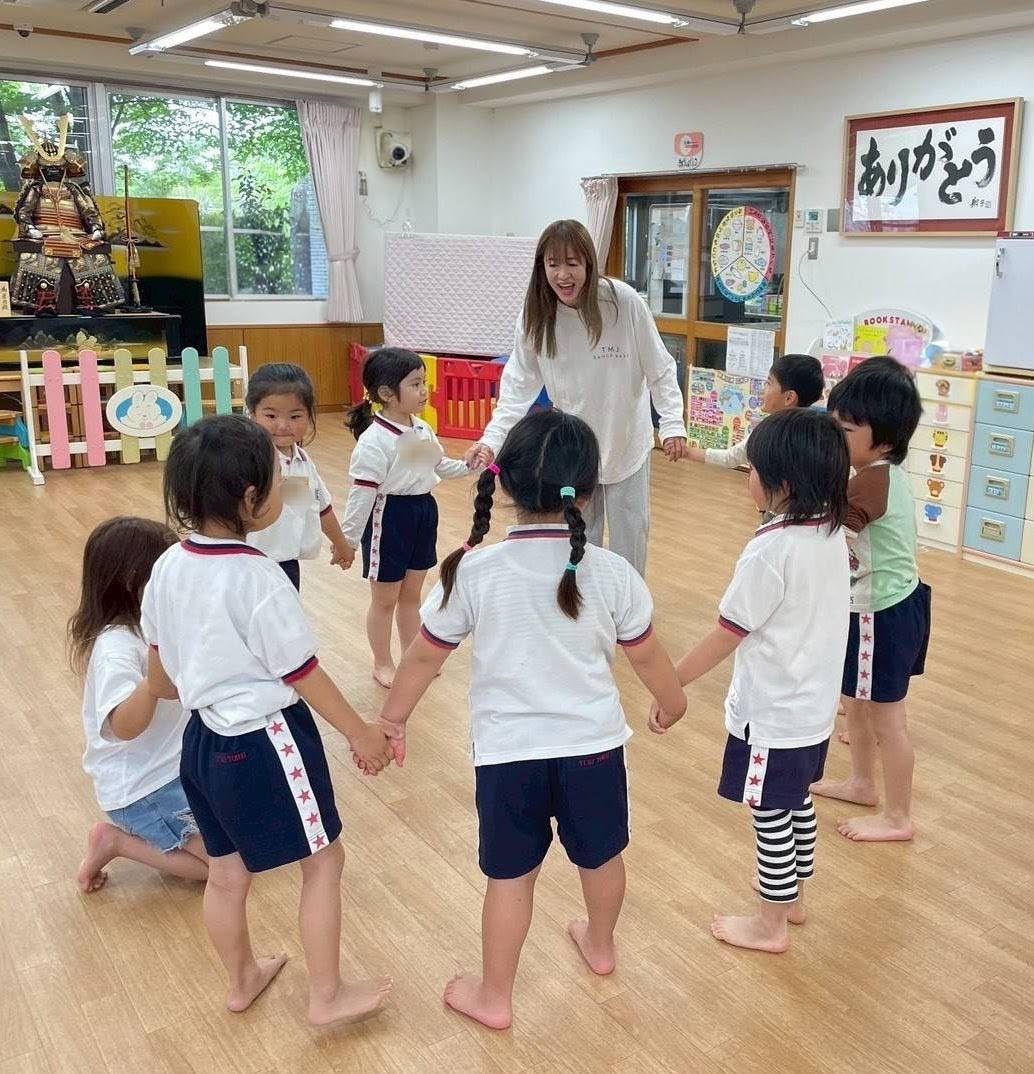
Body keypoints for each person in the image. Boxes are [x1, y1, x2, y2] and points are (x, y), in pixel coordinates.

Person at [374, 409, 686, 1029]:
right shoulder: (613, 572)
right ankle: (600, 945)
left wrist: (393, 719)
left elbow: (423, 658)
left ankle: (495, 995)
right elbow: (648, 655)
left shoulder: (473, 571)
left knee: (510, 878)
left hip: (508, 756)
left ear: (505, 486)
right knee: (601, 857)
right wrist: (673, 702)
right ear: (590, 492)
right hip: (593, 750)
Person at [144, 414, 394, 1024]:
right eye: (278, 480)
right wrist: (361, 733)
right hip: (265, 740)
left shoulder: (168, 565)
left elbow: (162, 678)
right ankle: (326, 995)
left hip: (201, 743)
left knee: (227, 874)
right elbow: (303, 673)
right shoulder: (258, 576)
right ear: (252, 498)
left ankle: (241, 981)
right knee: (324, 860)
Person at [651, 409, 850, 954]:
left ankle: (770, 924)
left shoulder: (771, 549)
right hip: (811, 713)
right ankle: (794, 900)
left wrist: (672, 684)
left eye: (753, 469)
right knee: (796, 803)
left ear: (782, 483)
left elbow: (726, 633)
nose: (749, 477)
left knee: (768, 814)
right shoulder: (832, 534)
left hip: (772, 716)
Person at [464, 219, 687, 575]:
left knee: (630, 534)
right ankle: (582, 598)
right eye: (553, 264)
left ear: (588, 264)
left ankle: (629, 602)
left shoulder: (622, 302)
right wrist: (491, 440)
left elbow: (659, 368)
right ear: (542, 267)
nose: (563, 275)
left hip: (626, 440)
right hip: (574, 449)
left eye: (572, 263)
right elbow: (518, 385)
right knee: (580, 535)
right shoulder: (536, 315)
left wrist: (673, 424)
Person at [811, 356, 929, 843]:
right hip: (880, 607)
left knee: (887, 717)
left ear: (882, 440)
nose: (835, 435)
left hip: (883, 614)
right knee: (854, 703)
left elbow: (840, 531)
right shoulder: (877, 473)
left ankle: (898, 816)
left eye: (845, 429)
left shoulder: (872, 481)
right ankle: (862, 783)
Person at [70, 516, 209, 894]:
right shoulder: (115, 648)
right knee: (223, 868)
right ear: (135, 582)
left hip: (178, 768)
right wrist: (152, 686)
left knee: (242, 841)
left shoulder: (155, 624)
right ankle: (114, 841)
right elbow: (123, 726)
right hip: (143, 787)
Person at [342, 347, 469, 688]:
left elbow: (439, 466)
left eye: (424, 382)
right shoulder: (374, 441)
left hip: (423, 512)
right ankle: (382, 662)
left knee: (412, 595)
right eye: (415, 384)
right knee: (385, 600)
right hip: (389, 516)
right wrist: (347, 540)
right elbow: (361, 495)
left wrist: (473, 465)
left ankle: (413, 658)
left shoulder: (421, 429)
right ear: (386, 393)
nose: (424, 390)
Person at [245, 363, 350, 590]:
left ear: (310, 415)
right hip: (250, 565)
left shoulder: (302, 461)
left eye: (295, 416)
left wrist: (340, 543)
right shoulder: (249, 460)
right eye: (271, 415)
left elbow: (321, 507)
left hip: (288, 563)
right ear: (252, 414)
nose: (283, 426)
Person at [687, 353, 825, 468]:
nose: (762, 390)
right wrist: (686, 451)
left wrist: (685, 451)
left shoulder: (769, 432)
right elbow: (729, 458)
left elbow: (729, 458)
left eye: (769, 383)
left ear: (789, 398)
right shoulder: (819, 434)